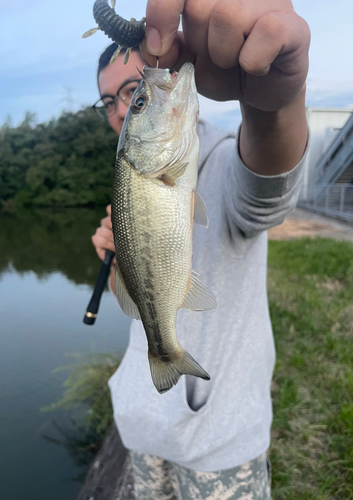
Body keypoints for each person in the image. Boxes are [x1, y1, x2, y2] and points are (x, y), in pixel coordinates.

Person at [92, 1, 310, 498]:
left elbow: (263, 198)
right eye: (109, 101)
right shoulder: (133, 177)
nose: (122, 109)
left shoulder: (225, 156)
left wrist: (271, 105)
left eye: (134, 92)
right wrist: (116, 252)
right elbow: (139, 287)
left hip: (218, 443)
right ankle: (163, 353)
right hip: (140, 425)